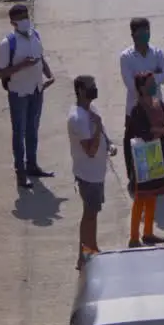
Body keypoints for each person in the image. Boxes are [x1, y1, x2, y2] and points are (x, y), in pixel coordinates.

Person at [0, 3, 55, 189]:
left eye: (25, 16)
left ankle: (32, 165)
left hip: (37, 90)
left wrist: (49, 75)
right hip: (19, 93)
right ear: (13, 22)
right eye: (20, 17)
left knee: (33, 130)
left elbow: (41, 57)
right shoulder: (8, 43)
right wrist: (22, 66)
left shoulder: (35, 35)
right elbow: (0, 73)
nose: (24, 20)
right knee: (19, 132)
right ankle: (20, 173)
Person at [67, 75, 116, 269]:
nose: (95, 89)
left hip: (97, 173)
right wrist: (96, 127)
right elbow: (90, 150)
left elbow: (102, 133)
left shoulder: (92, 110)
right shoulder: (77, 118)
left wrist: (110, 144)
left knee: (93, 213)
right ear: (80, 90)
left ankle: (92, 248)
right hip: (88, 175)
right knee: (89, 215)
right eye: (91, 87)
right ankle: (84, 256)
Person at [125, 72, 164, 247]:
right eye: (150, 82)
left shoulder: (159, 103)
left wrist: (158, 131)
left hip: (158, 153)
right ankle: (133, 237)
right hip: (143, 156)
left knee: (153, 194)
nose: (154, 85)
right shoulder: (137, 109)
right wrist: (162, 131)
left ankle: (148, 233)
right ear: (141, 87)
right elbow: (144, 133)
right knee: (140, 196)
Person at [119, 17, 164, 188]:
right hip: (135, 108)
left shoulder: (157, 52)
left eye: (147, 31)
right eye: (141, 32)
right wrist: (154, 76)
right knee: (134, 144)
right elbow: (130, 84)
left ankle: (158, 180)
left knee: (158, 143)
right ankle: (135, 179)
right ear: (133, 34)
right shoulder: (126, 57)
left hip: (156, 108)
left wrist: (146, 78)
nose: (145, 35)